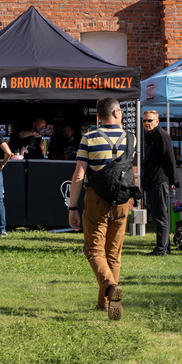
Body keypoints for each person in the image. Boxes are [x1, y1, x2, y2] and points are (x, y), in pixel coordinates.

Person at [68, 97, 134, 321]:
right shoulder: (130, 138)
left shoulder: (90, 137)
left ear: (98, 116)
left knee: (93, 250)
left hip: (97, 199)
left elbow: (79, 175)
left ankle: (109, 288)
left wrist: (72, 207)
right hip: (123, 199)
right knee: (113, 254)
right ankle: (104, 305)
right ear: (116, 113)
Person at [141, 110, 176, 256]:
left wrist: (172, 180)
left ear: (157, 121)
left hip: (159, 181)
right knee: (157, 216)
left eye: (150, 120)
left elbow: (169, 159)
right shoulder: (150, 136)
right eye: (144, 121)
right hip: (152, 181)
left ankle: (161, 249)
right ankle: (164, 246)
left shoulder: (161, 135)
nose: (147, 123)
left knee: (161, 216)